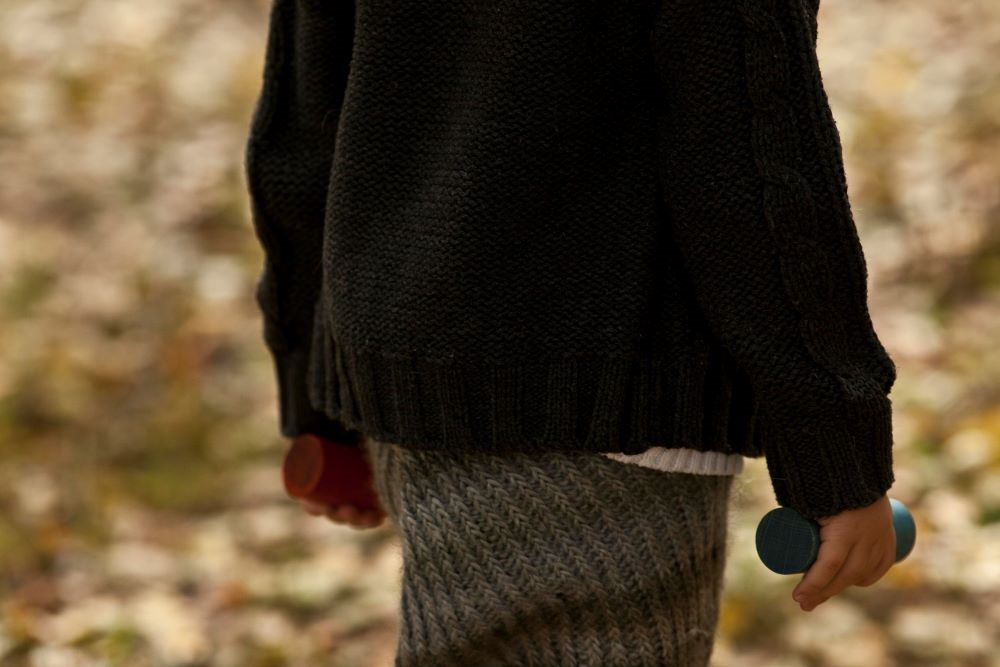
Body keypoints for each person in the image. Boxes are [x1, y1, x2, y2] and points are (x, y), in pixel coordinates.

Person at [243, 0, 900, 664]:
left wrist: (315, 393)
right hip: (609, 406)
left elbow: (300, 121)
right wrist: (834, 447)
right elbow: (751, 161)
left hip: (408, 368)